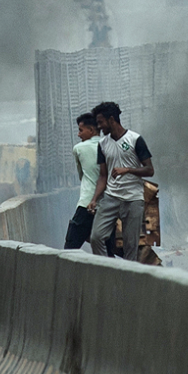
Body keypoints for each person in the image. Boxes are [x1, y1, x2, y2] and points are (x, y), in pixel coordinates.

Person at [86, 101, 154, 262]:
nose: (99, 126)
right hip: (111, 198)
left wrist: (128, 169)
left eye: (101, 122)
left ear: (111, 119)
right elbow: (103, 176)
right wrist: (94, 199)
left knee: (131, 246)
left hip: (133, 199)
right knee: (96, 237)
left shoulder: (135, 140)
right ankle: (106, 270)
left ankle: (128, 282)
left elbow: (150, 170)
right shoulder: (102, 144)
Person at [64, 112, 102, 251]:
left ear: (91, 130)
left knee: (70, 249)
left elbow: (81, 175)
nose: (79, 135)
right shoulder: (110, 145)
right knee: (108, 250)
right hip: (108, 206)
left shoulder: (79, 149)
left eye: (81, 130)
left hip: (87, 204)